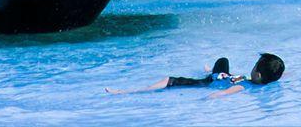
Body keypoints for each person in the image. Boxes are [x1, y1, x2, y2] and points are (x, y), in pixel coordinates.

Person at [105, 53, 284, 97]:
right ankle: (209, 70)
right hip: (221, 75)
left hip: (209, 82)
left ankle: (130, 91)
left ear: (259, 74)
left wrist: (215, 96)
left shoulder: (244, 85)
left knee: (170, 80)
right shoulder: (255, 80)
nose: (252, 68)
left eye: (254, 67)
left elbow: (227, 92)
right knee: (223, 60)